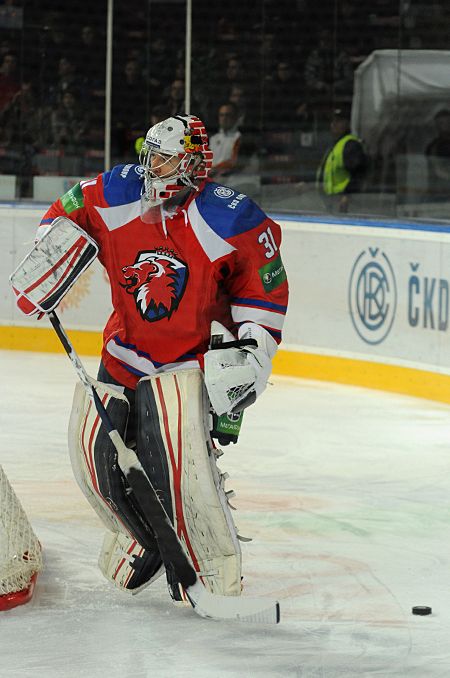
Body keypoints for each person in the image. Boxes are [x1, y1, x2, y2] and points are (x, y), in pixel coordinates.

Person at [34, 114, 289, 604]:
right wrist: (51, 251)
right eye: (148, 155)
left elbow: (263, 282)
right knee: (97, 459)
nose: (152, 167)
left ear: (192, 163)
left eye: (165, 158)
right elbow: (65, 210)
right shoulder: (117, 190)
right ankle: (140, 537)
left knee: (176, 465)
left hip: (187, 367)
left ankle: (212, 556)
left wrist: (255, 345)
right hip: (124, 353)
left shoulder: (229, 216)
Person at [316, 107, 368, 213]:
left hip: (344, 203)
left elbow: (359, 174)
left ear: (347, 124)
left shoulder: (350, 145)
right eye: (333, 121)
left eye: (338, 121)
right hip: (331, 200)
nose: (334, 124)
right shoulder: (335, 145)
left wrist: (347, 195)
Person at [209, 102, 242, 179]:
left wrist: (215, 169)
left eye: (227, 115)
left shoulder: (238, 137)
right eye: (221, 115)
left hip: (229, 180)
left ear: (235, 117)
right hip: (210, 180)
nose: (224, 118)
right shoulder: (213, 139)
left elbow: (234, 162)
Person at [425, 109, 450, 202]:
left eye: (448, 122)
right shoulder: (432, 147)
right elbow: (432, 173)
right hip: (439, 196)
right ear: (436, 126)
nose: (445, 126)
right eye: (441, 123)